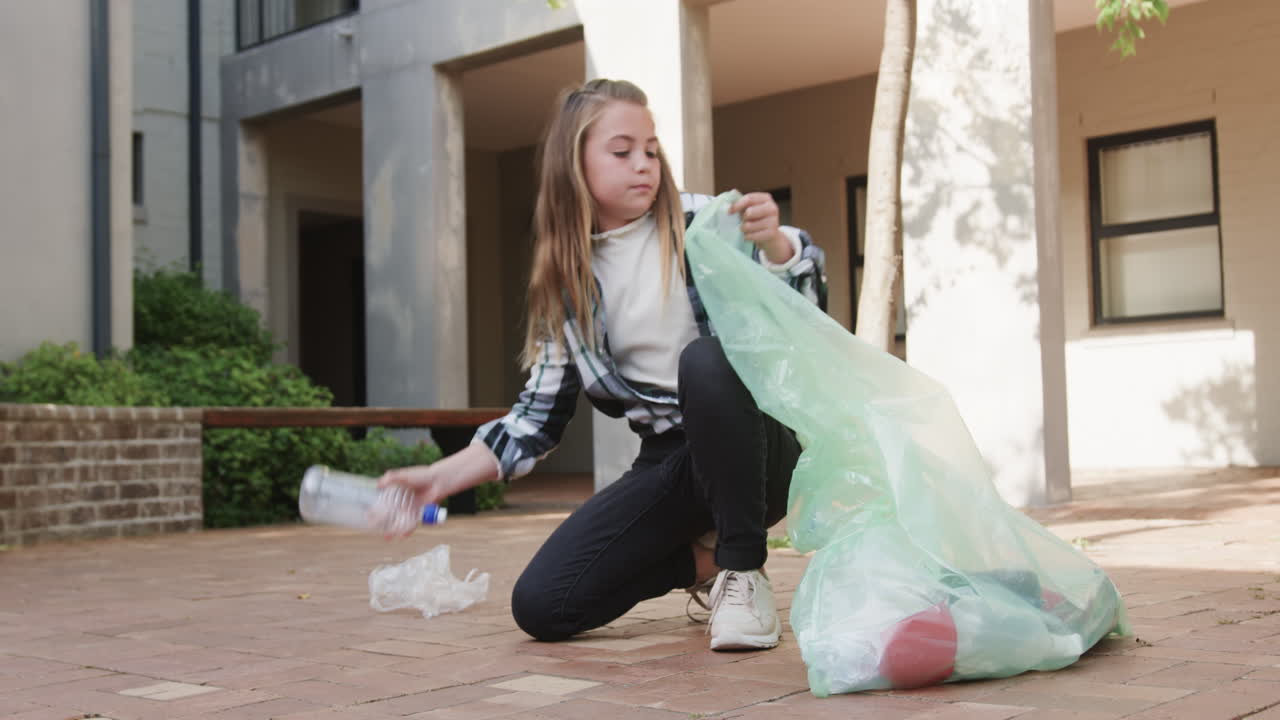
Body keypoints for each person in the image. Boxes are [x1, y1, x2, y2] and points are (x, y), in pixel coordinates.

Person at [379, 78, 827, 651]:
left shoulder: (702, 221)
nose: (643, 164)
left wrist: (779, 249)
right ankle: (705, 563)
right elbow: (534, 419)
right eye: (622, 151)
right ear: (575, 164)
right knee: (543, 603)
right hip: (673, 459)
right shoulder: (567, 278)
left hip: (759, 445)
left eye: (650, 148)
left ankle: (743, 571)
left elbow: (803, 317)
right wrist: (436, 481)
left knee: (708, 362)